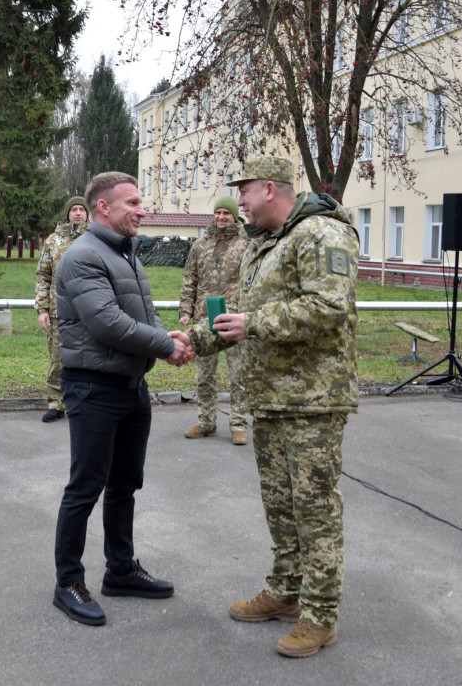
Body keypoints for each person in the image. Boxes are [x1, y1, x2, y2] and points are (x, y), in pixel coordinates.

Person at [187, 156, 358, 658]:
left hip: (312, 400)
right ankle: (286, 592)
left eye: (243, 190)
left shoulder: (321, 233)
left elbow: (330, 307)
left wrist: (255, 324)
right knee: (281, 508)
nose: (237, 200)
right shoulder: (262, 244)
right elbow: (237, 317)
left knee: (315, 509)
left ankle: (320, 615)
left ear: (269, 188)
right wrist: (191, 341)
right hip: (271, 398)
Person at [51, 171, 193, 627]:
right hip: (94, 387)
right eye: (131, 202)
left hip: (131, 386)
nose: (141, 209)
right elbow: (107, 323)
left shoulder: (126, 252)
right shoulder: (82, 256)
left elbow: (142, 313)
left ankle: (120, 569)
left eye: (141, 201)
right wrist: (164, 345)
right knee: (85, 487)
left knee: (125, 483)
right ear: (103, 208)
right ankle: (67, 581)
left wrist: (163, 336)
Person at [178, 196, 251, 445]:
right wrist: (185, 310)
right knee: (204, 376)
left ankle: (239, 424)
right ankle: (207, 422)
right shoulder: (200, 244)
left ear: (234, 215)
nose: (221, 217)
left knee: (238, 374)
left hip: (233, 319)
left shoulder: (246, 243)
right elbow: (190, 279)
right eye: (218, 213)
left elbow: (252, 281)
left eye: (226, 214)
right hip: (203, 320)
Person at [33, 195, 89, 422]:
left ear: (87, 213)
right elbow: (43, 275)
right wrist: (42, 309)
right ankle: (56, 403)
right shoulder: (53, 241)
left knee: (87, 359)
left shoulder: (95, 238)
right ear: (67, 213)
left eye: (81, 209)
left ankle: (84, 404)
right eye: (74, 209)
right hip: (59, 312)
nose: (77, 213)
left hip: (89, 311)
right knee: (58, 360)